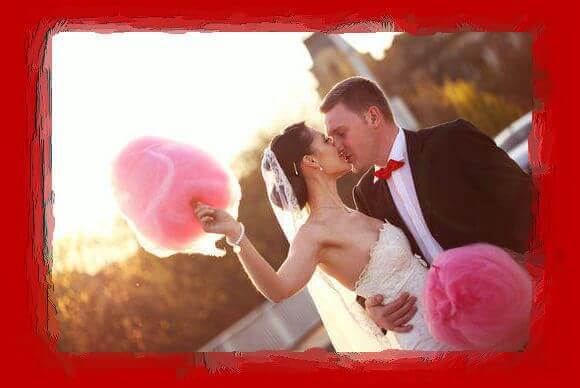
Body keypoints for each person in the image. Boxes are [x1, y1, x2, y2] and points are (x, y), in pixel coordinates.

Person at [193, 122, 504, 351]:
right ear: (311, 162)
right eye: (327, 141)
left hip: (457, 320)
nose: (337, 144)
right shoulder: (313, 234)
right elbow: (278, 289)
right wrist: (237, 236)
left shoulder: (358, 207)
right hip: (425, 343)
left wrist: (371, 310)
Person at [320, 76, 533, 335]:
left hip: (523, 298)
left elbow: (526, 200)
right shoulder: (364, 195)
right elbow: (371, 273)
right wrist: (373, 311)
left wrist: (530, 266)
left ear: (373, 117)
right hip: (458, 335)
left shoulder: (452, 139)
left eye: (341, 134)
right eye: (331, 139)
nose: (337, 147)